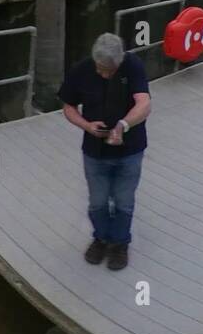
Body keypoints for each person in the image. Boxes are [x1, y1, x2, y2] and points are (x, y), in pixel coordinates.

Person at [59, 32, 152, 270]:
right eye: (100, 69)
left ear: (120, 61)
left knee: (124, 202)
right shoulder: (81, 70)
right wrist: (86, 126)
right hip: (95, 152)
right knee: (97, 202)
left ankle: (120, 243)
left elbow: (144, 103)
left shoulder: (133, 66)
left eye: (109, 70)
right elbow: (68, 106)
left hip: (129, 151)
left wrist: (123, 125)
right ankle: (101, 238)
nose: (104, 74)